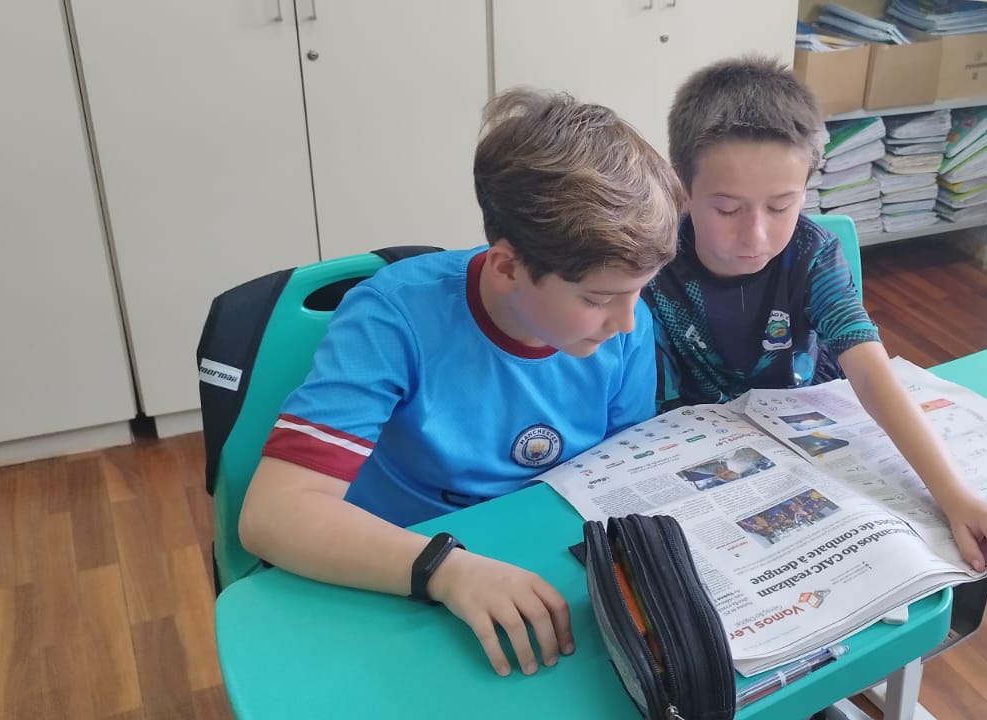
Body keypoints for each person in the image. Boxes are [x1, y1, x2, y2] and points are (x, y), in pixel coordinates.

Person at [237, 87, 684, 678]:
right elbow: (272, 514)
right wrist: (443, 569)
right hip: (401, 571)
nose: (628, 322)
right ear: (506, 268)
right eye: (598, 297)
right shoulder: (393, 318)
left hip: (543, 564)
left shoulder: (623, 324)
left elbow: (624, 469)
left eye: (640, 291)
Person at [646, 56, 987, 586]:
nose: (756, 236)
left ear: (807, 188)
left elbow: (872, 369)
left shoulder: (811, 254)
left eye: (781, 206)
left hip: (804, 449)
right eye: (728, 209)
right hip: (702, 459)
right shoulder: (652, 264)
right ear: (682, 189)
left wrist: (958, 497)